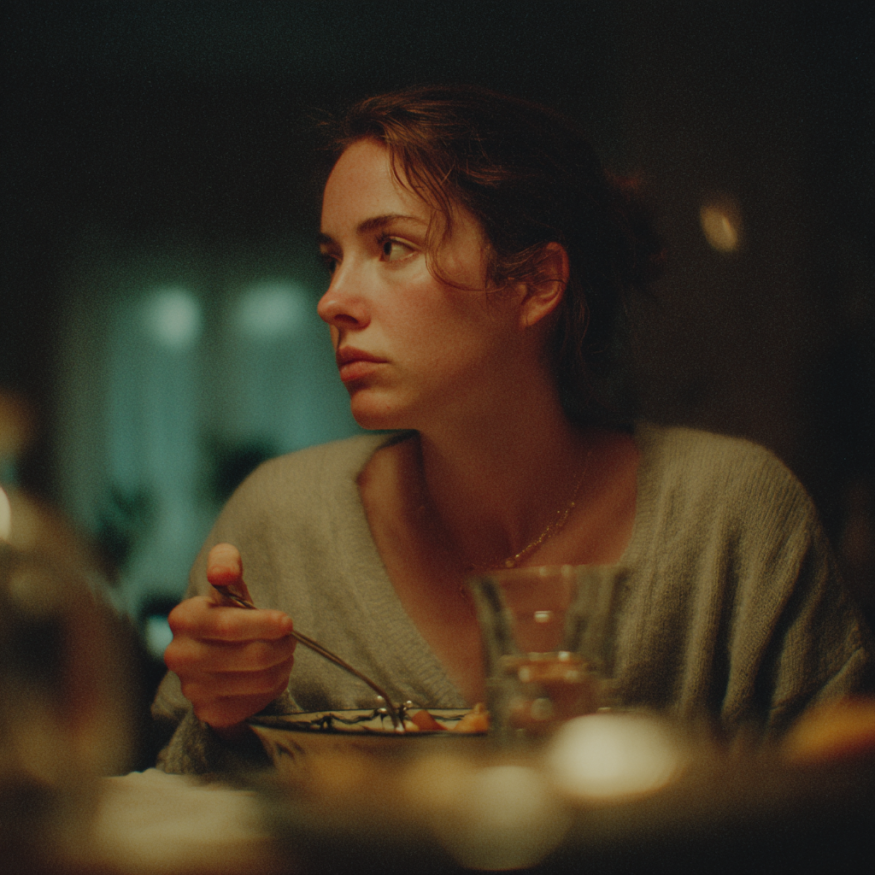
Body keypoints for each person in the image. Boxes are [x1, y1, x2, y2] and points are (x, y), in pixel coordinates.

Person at [153, 85, 873, 774]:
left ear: (534, 282)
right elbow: (182, 808)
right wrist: (222, 715)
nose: (332, 300)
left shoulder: (728, 517)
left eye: (391, 248)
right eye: (330, 258)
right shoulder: (280, 523)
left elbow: (838, 806)